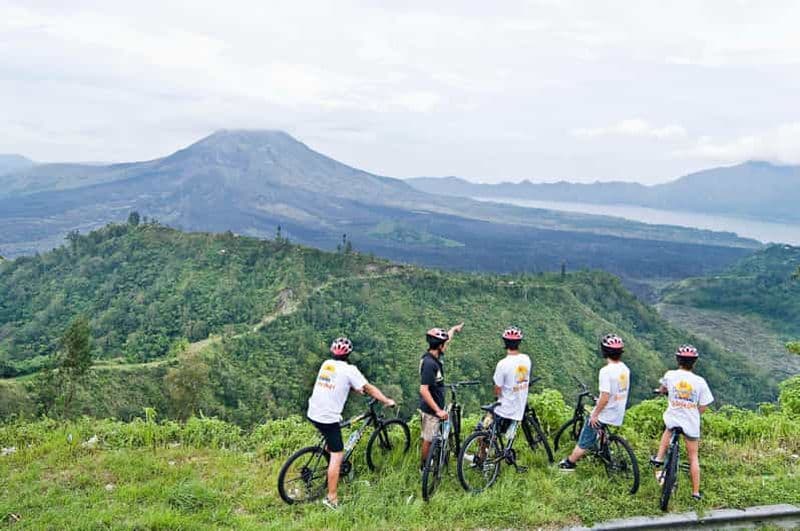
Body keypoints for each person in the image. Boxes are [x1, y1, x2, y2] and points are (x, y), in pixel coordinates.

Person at [306, 337, 396, 510]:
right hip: (327, 417)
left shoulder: (327, 364)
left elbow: (336, 381)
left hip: (313, 412)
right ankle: (331, 499)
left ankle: (326, 455)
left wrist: (356, 388)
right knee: (337, 455)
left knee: (330, 440)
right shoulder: (350, 370)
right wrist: (386, 400)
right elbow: (369, 388)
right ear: (349, 354)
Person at [652, 344, 714, 501]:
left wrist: (661, 392)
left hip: (673, 417)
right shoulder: (700, 381)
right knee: (693, 457)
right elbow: (704, 404)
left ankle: (659, 458)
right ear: (694, 362)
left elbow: (663, 389)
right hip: (691, 422)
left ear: (678, 360)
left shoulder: (670, 375)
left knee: (668, 429)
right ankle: (695, 493)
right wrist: (694, 414)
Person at [559, 334, 630, 470]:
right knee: (601, 430)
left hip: (606, 413)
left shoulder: (606, 371)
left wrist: (595, 414)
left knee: (586, 436)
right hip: (618, 410)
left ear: (604, 351)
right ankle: (604, 452)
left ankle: (569, 464)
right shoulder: (624, 368)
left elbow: (605, 396)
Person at [419, 323, 464, 470]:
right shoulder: (429, 363)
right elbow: (424, 390)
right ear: (440, 346)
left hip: (436, 405)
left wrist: (453, 330)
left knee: (432, 437)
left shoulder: (435, 354)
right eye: (444, 344)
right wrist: (438, 410)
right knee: (428, 439)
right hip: (431, 409)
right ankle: (425, 467)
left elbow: (447, 339)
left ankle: (434, 459)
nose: (446, 345)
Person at [488, 326, 532, 437]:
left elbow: (497, 389)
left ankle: (482, 454)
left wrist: (497, 396)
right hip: (520, 407)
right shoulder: (526, 359)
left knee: (483, 428)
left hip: (505, 409)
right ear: (519, 343)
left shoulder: (503, 364)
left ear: (505, 343)